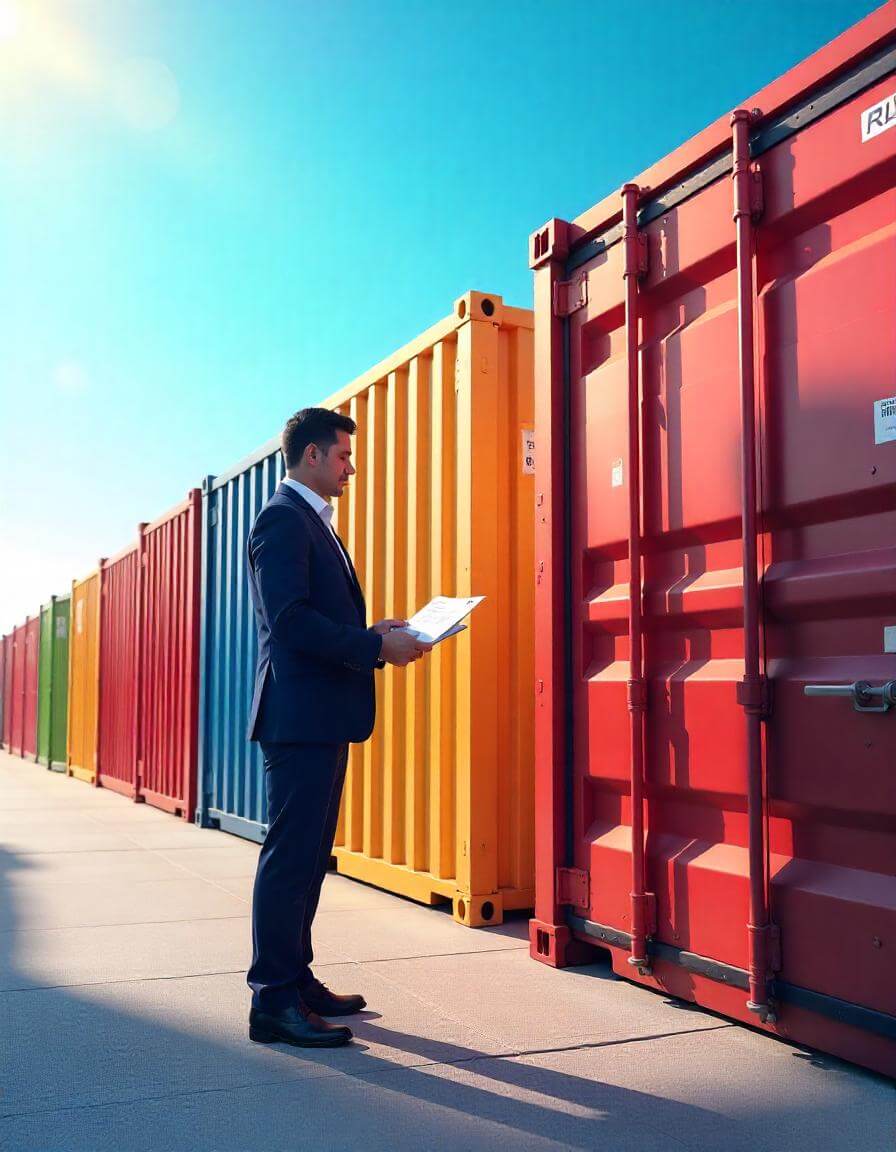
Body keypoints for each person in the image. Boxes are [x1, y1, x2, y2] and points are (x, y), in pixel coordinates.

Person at [245, 407, 431, 1048]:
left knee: (309, 858)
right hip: (298, 717)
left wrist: (371, 632)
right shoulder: (282, 519)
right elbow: (290, 623)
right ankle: (273, 1000)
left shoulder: (312, 522)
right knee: (289, 859)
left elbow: (312, 618)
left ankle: (295, 980)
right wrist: (375, 649)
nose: (351, 467)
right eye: (344, 455)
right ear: (313, 455)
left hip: (321, 715)